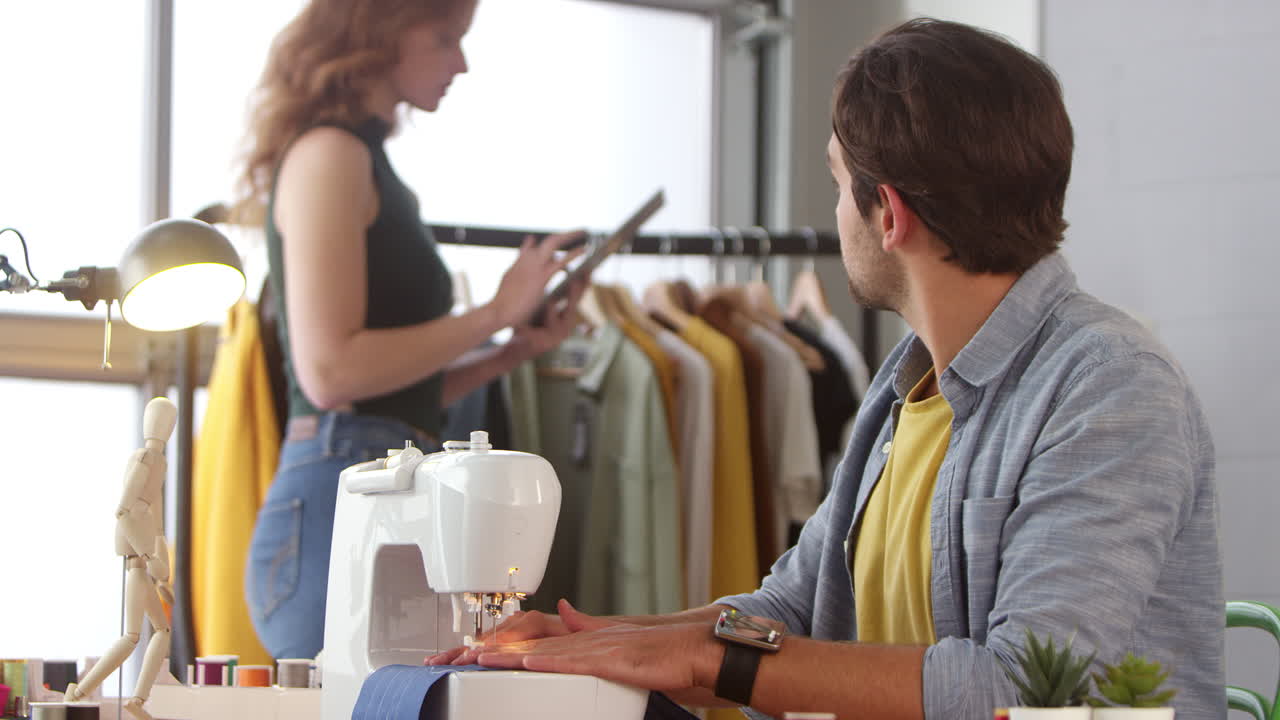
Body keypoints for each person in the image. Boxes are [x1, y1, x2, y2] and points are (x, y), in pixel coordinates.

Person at [427, 18, 1225, 720]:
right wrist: (602, 639)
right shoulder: (905, 386)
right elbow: (789, 611)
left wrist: (703, 660)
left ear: (890, 215)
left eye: (840, 186)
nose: (835, 213)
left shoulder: (1110, 387)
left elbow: (1020, 689)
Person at [233, 0, 586, 660]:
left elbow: (391, 389)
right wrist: (493, 313)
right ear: (380, 29)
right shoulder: (330, 155)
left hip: (373, 483)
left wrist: (512, 350)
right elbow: (332, 373)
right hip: (340, 494)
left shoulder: (359, 161)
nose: (462, 62)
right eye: (445, 38)